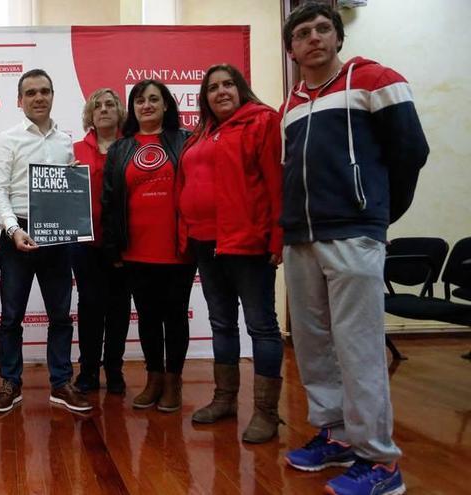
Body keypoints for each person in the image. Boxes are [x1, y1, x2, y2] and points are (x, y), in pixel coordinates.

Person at [279, 4, 427, 494]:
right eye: (302, 33)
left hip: (353, 236)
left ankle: (381, 463)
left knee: (359, 351)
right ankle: (338, 437)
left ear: (338, 37)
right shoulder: (291, 106)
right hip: (302, 239)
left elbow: (410, 152)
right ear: (292, 49)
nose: (313, 38)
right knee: (314, 347)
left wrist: (376, 215)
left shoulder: (376, 80)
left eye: (323, 29)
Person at [177, 64, 283, 443]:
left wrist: (277, 239)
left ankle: (266, 414)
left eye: (228, 85)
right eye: (213, 87)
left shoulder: (262, 121)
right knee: (222, 324)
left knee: (262, 326)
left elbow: (275, 181)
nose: (221, 91)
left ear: (241, 89)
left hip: (248, 243)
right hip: (206, 244)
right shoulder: (201, 133)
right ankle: (225, 400)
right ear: (204, 97)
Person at [0, 68, 91, 413]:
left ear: (52, 96)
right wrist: (12, 229)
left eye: (44, 91)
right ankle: (10, 383)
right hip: (17, 232)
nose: (38, 97)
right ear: (20, 100)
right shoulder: (8, 138)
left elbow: (66, 191)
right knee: (10, 317)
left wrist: (74, 179)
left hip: (57, 236)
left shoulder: (65, 142)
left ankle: (61, 383)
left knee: (61, 315)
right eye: (30, 92)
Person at [101, 79, 195, 413]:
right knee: (148, 317)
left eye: (154, 99)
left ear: (167, 105)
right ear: (133, 108)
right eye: (140, 100)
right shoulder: (120, 148)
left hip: (177, 248)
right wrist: (112, 248)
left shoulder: (186, 141)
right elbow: (110, 201)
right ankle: (153, 378)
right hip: (135, 249)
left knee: (175, 316)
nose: (147, 105)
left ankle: (173, 382)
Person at [71, 88, 132, 394]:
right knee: (90, 306)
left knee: (119, 307)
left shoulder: (132, 146)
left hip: (123, 242)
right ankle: (89, 370)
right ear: (90, 115)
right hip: (86, 242)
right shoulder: (75, 150)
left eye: (110, 104)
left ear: (119, 110)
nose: (105, 109)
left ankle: (115, 369)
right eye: (98, 106)